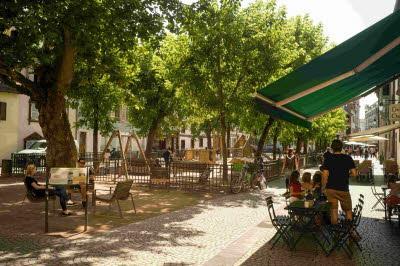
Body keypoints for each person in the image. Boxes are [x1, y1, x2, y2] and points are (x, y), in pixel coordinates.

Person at [322, 139, 357, 224]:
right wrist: (347, 175)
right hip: (343, 188)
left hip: (330, 188)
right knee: (348, 210)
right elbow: (354, 173)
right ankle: (349, 231)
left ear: (332, 148)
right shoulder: (348, 158)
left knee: (334, 210)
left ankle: (335, 232)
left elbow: (325, 175)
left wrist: (323, 188)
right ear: (341, 148)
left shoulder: (328, 159)